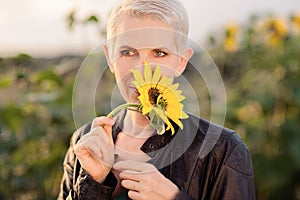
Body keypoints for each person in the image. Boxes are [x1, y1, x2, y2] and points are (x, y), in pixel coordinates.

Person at [58, 0, 256, 199]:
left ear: (181, 62)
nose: (142, 69)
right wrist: (92, 183)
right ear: (110, 58)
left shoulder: (223, 150)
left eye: (159, 53)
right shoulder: (84, 142)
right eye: (128, 52)